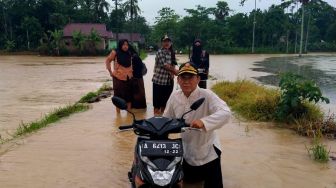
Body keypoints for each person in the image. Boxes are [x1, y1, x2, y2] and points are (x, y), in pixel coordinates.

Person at [163, 62, 231, 188]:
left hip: (207, 150)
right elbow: (166, 119)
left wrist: (203, 122)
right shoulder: (174, 96)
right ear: (178, 79)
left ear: (198, 79)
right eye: (183, 77)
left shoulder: (207, 95)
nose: (186, 81)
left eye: (191, 77)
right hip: (186, 150)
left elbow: (226, 113)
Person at [152, 34, 178, 116]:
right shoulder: (160, 52)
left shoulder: (172, 53)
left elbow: (173, 64)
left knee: (165, 104)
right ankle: (156, 120)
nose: (167, 43)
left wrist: (174, 73)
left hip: (169, 82)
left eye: (168, 41)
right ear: (162, 43)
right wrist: (177, 72)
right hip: (159, 81)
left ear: (171, 43)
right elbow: (166, 66)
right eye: (165, 41)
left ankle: (163, 119)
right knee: (157, 105)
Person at [105, 39, 133, 113]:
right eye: (124, 44)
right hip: (118, 78)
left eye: (127, 44)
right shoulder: (115, 52)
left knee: (129, 97)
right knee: (118, 97)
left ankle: (129, 114)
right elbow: (108, 60)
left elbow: (131, 64)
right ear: (120, 45)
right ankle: (118, 114)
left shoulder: (129, 53)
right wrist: (110, 72)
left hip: (128, 77)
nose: (125, 46)